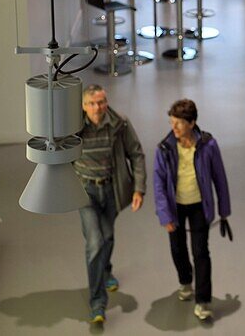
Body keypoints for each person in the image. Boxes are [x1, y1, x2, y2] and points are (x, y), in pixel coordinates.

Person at [73, 85, 147, 326]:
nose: (98, 108)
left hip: (111, 189)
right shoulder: (73, 127)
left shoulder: (120, 124)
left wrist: (139, 188)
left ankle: (105, 271)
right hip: (85, 192)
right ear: (83, 106)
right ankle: (97, 303)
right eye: (92, 104)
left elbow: (136, 154)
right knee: (95, 242)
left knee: (108, 237)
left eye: (102, 102)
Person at [154, 98, 232, 321]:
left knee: (201, 253)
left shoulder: (208, 145)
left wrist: (224, 210)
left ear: (191, 122)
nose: (174, 127)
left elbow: (220, 177)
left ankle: (203, 300)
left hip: (200, 206)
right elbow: (159, 184)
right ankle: (185, 281)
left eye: (178, 123)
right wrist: (165, 215)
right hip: (175, 207)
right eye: (171, 122)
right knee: (178, 250)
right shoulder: (165, 148)